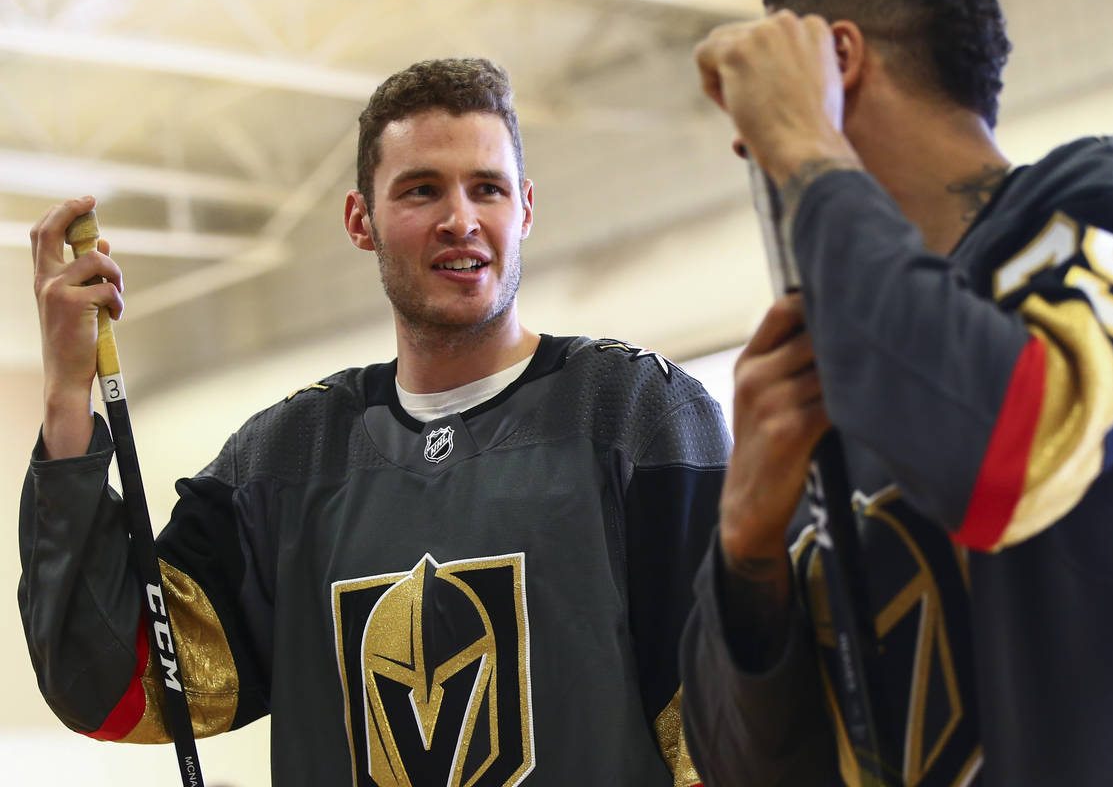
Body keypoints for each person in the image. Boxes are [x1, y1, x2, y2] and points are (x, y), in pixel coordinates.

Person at [20, 58, 728, 786]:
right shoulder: (282, 463)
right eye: (422, 190)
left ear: (524, 210)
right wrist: (67, 398)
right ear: (362, 220)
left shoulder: (637, 416)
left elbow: (733, 731)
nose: (461, 219)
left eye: (487, 188)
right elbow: (112, 682)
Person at [682, 0, 1113, 784]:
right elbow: (739, 770)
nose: (750, 151)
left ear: (834, 62)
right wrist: (747, 548)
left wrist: (802, 136)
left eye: (754, 113)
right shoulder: (823, 365)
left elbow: (1006, 455)